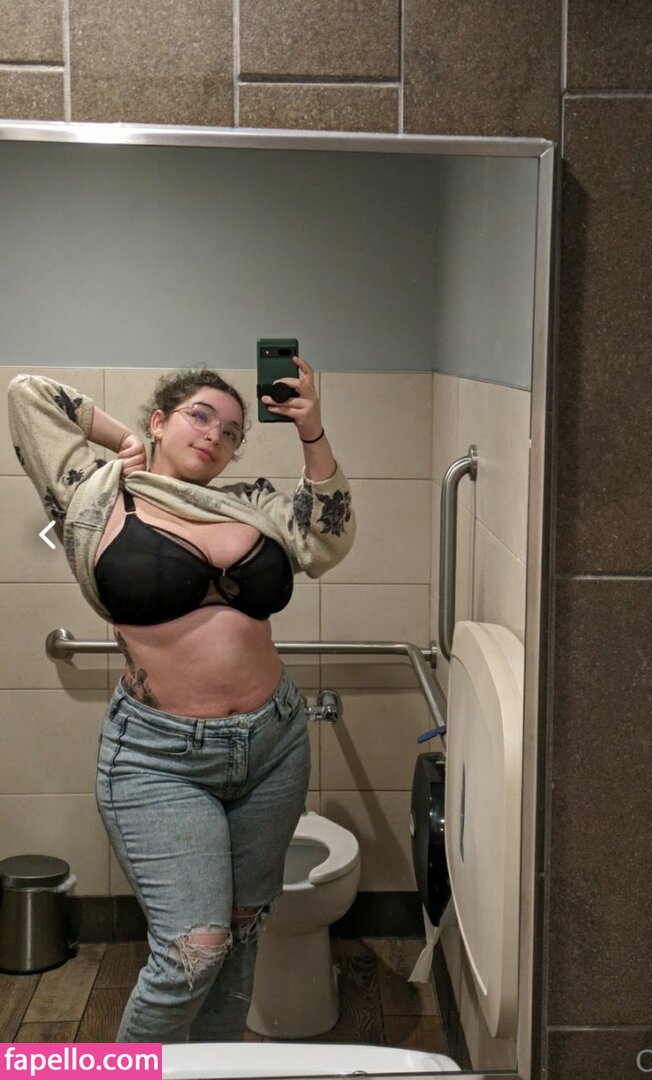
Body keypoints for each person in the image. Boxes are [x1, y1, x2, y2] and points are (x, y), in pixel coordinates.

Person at [6, 357, 356, 1043]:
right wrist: (120, 440)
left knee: (242, 933)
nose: (214, 435)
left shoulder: (250, 503)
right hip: (158, 759)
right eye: (200, 416)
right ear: (160, 421)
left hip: (274, 744)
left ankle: (212, 1066)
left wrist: (311, 430)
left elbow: (325, 540)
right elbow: (28, 396)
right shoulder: (98, 495)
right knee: (193, 950)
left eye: (230, 432)